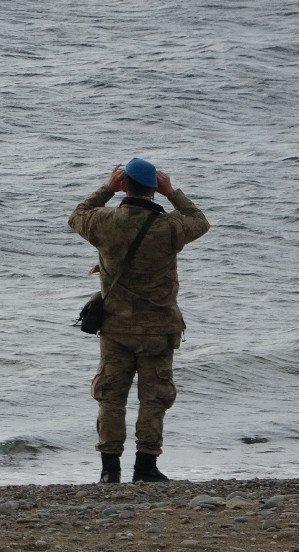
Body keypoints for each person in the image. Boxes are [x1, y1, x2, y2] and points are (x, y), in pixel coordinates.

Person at [68, 157, 209, 483]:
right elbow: (199, 221)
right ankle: (145, 467)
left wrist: (105, 188)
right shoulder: (169, 227)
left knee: (111, 397)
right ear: (154, 190)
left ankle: (109, 471)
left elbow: (76, 215)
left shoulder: (104, 222)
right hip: (158, 329)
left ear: (123, 185)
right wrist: (173, 192)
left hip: (116, 328)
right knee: (154, 398)